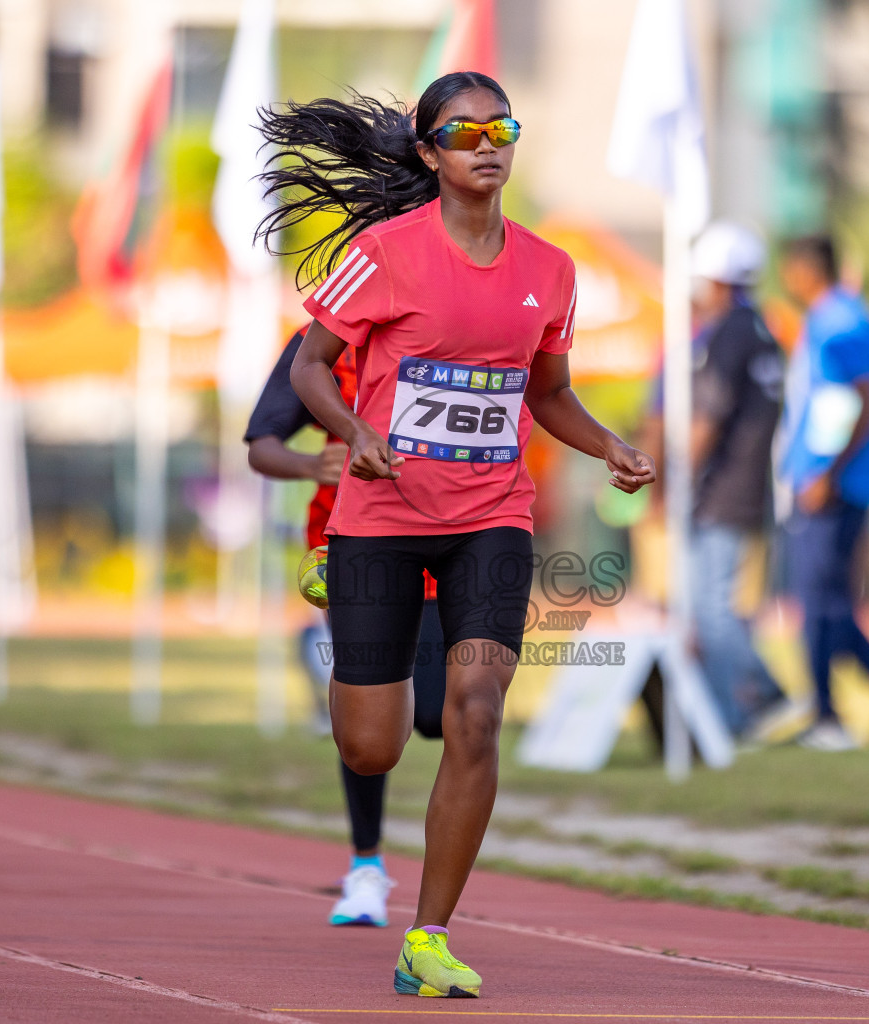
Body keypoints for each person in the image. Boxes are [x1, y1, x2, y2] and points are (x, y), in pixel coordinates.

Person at [259, 72, 655, 998]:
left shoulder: (552, 271)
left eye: (500, 126)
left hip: (491, 518)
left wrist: (608, 446)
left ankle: (427, 936)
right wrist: (355, 432)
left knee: (477, 710)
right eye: (463, 130)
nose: (486, 141)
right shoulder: (383, 254)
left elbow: (548, 394)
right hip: (379, 521)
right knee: (373, 748)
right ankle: (363, 698)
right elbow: (314, 367)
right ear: (430, 153)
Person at [244, 327, 447, 929]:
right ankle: (366, 866)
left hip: (445, 545)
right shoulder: (321, 338)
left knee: (434, 713)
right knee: (365, 718)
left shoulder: (454, 327)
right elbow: (261, 445)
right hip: (350, 545)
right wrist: (315, 462)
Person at [777, 235, 869, 751]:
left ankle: (832, 715)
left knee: (818, 603)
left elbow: (862, 402)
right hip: (825, 481)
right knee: (825, 603)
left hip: (833, 486)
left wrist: (827, 474)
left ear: (808, 268)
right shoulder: (827, 319)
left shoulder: (842, 322)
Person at [684, 222, 793, 739]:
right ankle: (742, 706)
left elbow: (710, 412)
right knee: (718, 606)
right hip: (752, 486)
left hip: (722, 487)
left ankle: (755, 699)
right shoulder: (762, 329)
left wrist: (680, 475)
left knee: (712, 610)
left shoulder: (728, 332)